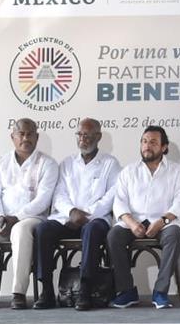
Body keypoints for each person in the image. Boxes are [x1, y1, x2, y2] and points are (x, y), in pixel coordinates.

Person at [0, 118, 58, 310]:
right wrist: (0, 216)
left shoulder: (47, 163)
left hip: (31, 218)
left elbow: (43, 199)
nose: (26, 138)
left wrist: (16, 218)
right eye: (21, 134)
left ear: (37, 136)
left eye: (30, 134)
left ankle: (18, 293)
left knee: (20, 231)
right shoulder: (0, 162)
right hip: (0, 218)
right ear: (13, 137)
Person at [32, 118, 120, 310]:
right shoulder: (67, 163)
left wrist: (86, 215)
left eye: (87, 135)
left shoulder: (110, 164)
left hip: (95, 219)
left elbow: (111, 196)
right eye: (79, 134)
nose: (82, 139)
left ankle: (85, 289)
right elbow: (59, 193)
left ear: (98, 136)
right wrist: (71, 212)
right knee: (43, 230)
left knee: (92, 230)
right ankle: (46, 290)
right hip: (67, 219)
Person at [106, 126, 180, 309]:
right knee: (114, 236)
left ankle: (160, 292)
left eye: (153, 142)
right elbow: (119, 202)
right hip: (133, 223)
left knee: (175, 235)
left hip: (164, 223)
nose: (147, 146)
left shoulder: (177, 171)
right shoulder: (128, 171)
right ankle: (127, 291)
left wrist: (162, 221)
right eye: (144, 141)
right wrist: (132, 223)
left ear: (164, 147)